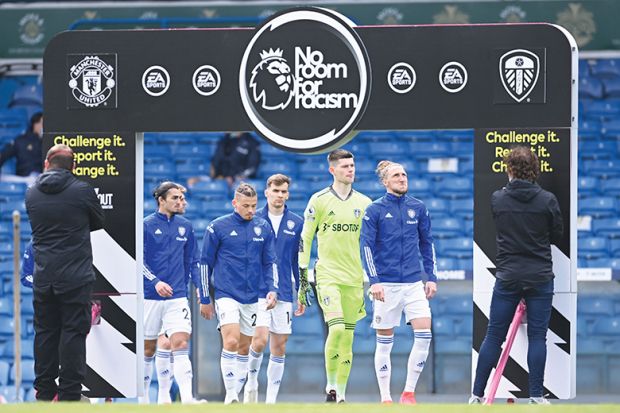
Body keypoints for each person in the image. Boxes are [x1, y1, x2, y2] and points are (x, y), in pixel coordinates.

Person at [469, 146, 563, 405]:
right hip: (540, 275)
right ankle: (535, 395)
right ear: (535, 169)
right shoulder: (547, 200)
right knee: (537, 336)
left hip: (508, 275)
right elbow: (557, 235)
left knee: (493, 335)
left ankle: (476, 394)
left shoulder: (498, 198)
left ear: (509, 169)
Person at [25, 143, 104, 401]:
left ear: (47, 163)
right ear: (74, 166)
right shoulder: (82, 191)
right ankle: (70, 394)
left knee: (45, 334)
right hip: (76, 277)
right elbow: (98, 222)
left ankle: (44, 393)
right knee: (73, 333)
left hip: (44, 276)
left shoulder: (32, 193)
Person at [360, 160, 438, 405]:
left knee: (424, 332)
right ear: (385, 182)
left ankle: (409, 392)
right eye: (396, 175)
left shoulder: (419, 207)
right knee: (385, 341)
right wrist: (374, 281)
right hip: (386, 285)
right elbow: (366, 247)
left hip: (414, 283)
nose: (402, 178)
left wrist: (431, 277)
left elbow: (427, 243)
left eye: (404, 174)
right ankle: (385, 397)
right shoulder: (374, 210)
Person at [298, 149, 372, 403]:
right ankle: (330, 383)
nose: (350, 170)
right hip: (327, 275)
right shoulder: (318, 200)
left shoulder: (364, 203)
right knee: (337, 328)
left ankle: (340, 393)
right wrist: (303, 276)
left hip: (354, 278)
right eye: (345, 166)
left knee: (349, 336)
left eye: (352, 165)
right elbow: (305, 238)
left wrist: (374, 277)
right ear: (332, 170)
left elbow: (372, 243)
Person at [198, 182, 278, 404]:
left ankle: (240, 392)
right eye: (246, 206)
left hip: (253, 297)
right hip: (226, 294)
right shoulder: (217, 227)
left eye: (253, 205)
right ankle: (231, 396)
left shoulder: (263, 227)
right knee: (231, 341)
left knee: (245, 347)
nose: (251, 210)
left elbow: (269, 262)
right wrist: (205, 298)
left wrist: (272, 289)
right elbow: (205, 264)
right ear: (235, 203)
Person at [239, 174, 304, 404]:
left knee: (279, 345)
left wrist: (302, 291)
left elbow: (299, 259)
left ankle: (271, 402)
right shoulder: (253, 218)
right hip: (258, 291)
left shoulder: (297, 223)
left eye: (284, 191)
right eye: (275, 191)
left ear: (288, 194)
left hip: (285, 290)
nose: (280, 195)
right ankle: (252, 380)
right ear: (267, 192)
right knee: (259, 339)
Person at [142, 181, 207, 404]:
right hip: (150, 297)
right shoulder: (146, 225)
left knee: (180, 343)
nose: (181, 202)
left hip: (178, 296)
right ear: (161, 200)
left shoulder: (185, 226)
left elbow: (194, 261)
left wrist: (200, 288)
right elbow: (138, 261)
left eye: (181, 198)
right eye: (175, 198)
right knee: (148, 349)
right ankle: (145, 400)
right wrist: (155, 282)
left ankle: (187, 398)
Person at [188, 132, 260, 187]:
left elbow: (252, 168)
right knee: (192, 181)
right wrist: (215, 176)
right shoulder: (224, 140)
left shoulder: (251, 142)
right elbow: (215, 162)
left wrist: (235, 178)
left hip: (238, 181)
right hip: (220, 178)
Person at [0, 112, 44, 182]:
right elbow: (4, 154)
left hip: (42, 179)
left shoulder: (47, 141)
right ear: (35, 124)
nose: (43, 127)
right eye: (42, 124)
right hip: (23, 179)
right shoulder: (20, 140)